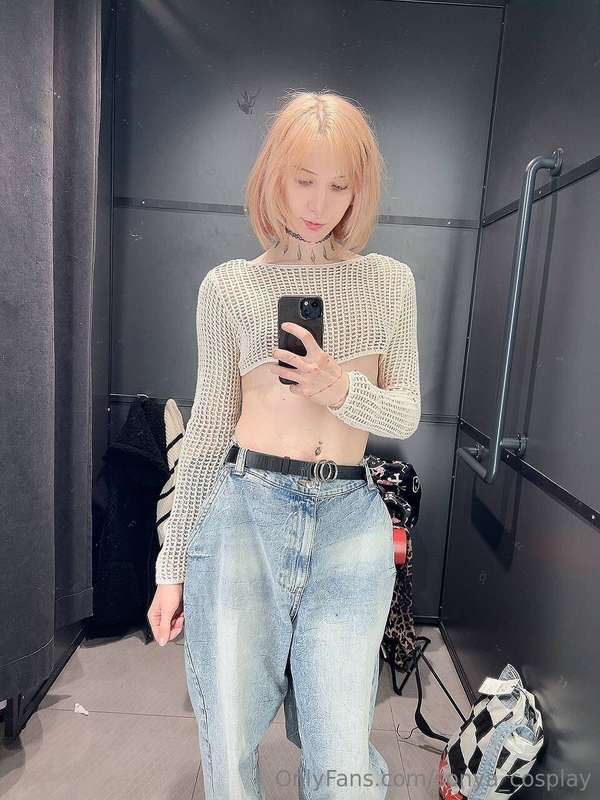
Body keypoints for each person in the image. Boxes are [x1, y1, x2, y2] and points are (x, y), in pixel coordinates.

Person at [147, 89, 421, 799]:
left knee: (340, 747)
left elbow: (406, 412)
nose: (319, 203)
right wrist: (171, 566)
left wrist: (339, 389)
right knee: (228, 729)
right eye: (304, 180)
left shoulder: (389, 283)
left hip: (350, 521)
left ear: (359, 190)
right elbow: (209, 430)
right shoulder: (230, 288)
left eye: (339, 185)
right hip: (246, 512)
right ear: (273, 176)